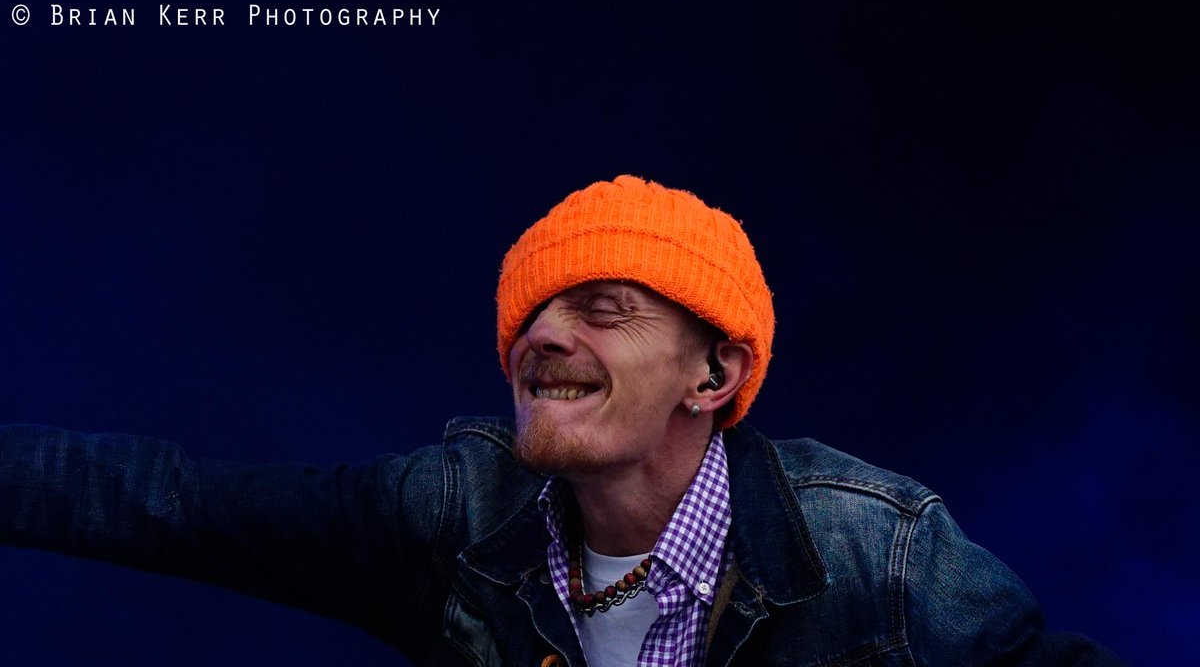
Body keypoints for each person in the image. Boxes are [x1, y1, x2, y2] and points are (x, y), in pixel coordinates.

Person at [0, 175, 1124, 666]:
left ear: (715, 372)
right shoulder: (449, 515)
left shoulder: (875, 551)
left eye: (601, 310)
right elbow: (163, 503)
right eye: (528, 313)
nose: (540, 336)